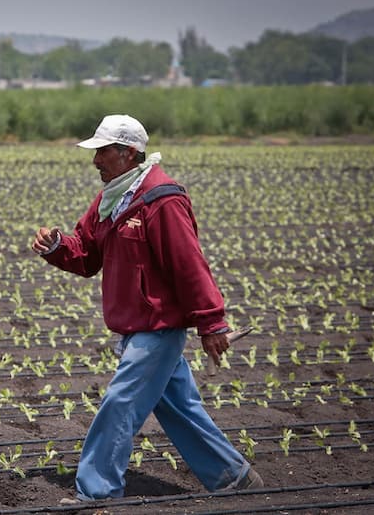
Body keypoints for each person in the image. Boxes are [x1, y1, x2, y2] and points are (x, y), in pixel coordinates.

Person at [31, 114, 263, 501]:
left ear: (129, 153)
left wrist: (211, 324)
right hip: (136, 323)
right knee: (180, 410)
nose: (96, 161)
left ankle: (98, 491)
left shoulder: (161, 199)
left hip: (158, 326)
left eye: (103, 152)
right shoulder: (111, 199)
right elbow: (87, 255)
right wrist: (56, 246)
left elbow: (188, 264)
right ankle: (233, 477)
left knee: (120, 403)